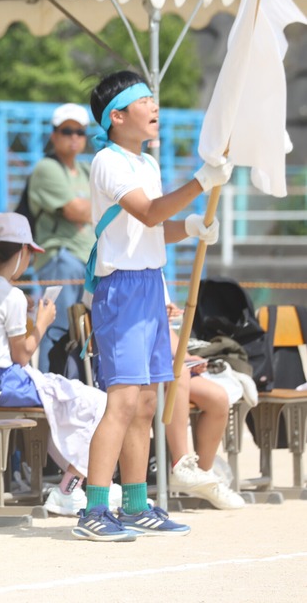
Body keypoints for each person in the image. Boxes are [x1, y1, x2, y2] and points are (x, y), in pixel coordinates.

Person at [74, 71, 231, 541]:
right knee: (121, 401)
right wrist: (202, 182)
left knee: (144, 403)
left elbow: (155, 228)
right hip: (120, 289)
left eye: (151, 96)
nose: (153, 104)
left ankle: (136, 504)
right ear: (117, 117)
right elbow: (146, 212)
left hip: (148, 284)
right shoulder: (108, 160)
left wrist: (192, 229)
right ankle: (94, 509)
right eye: (142, 99)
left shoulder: (147, 164)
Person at [0, 212, 109, 517]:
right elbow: (22, 355)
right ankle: (71, 485)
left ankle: (77, 481)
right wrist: (41, 322)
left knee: (72, 399)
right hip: (5, 384)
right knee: (99, 402)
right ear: (22, 252)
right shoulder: (9, 295)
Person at [27, 103, 95, 372]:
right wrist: (101, 207)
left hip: (88, 262)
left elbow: (95, 208)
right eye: (67, 131)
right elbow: (76, 210)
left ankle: (76, 391)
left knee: (85, 332)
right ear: (54, 135)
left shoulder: (87, 169)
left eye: (80, 132)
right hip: (61, 259)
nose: (74, 137)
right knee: (58, 329)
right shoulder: (47, 167)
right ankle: (50, 391)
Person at [162, 303, 245, 509]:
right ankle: (181, 465)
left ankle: (203, 476)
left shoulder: (156, 275)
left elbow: (165, 330)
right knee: (178, 374)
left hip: (168, 361)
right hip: (137, 358)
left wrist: (188, 357)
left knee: (217, 398)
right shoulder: (115, 274)